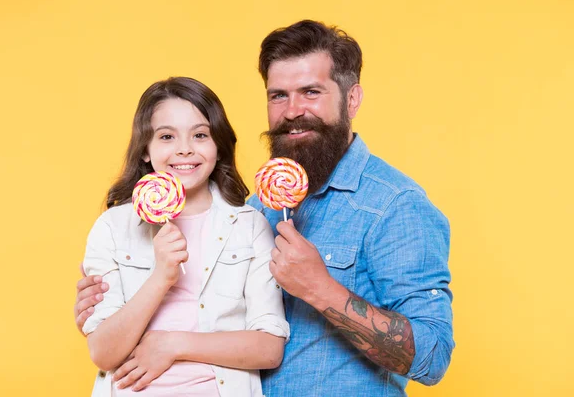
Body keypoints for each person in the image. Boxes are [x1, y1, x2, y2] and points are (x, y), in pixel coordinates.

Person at [75, 20, 454, 397]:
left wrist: (321, 290)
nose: (292, 111)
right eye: (278, 95)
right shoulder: (259, 209)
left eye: (311, 92)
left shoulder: (394, 205)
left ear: (352, 99)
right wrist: (110, 309)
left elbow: (433, 357)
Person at [79, 76, 289, 397]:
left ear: (218, 147)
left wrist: (174, 343)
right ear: (146, 151)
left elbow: (269, 348)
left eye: (200, 135)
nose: (184, 149)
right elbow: (104, 352)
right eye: (166, 136)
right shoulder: (112, 227)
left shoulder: (249, 226)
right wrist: (162, 276)